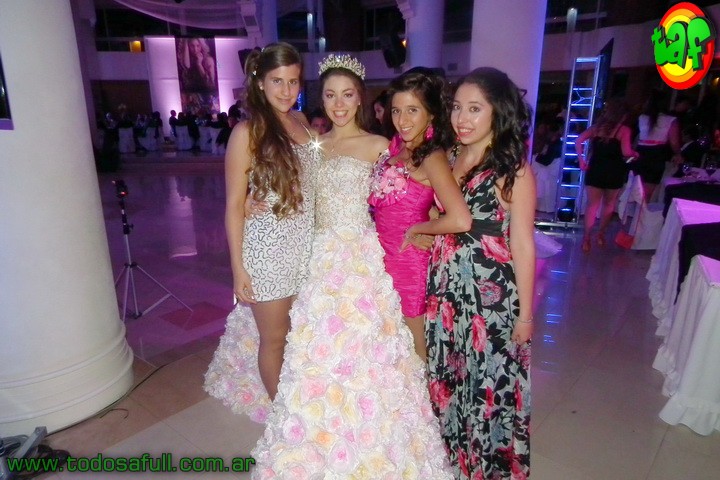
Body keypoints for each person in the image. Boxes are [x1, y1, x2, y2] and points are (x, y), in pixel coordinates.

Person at [250, 53, 454, 479]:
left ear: (361, 98)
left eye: (347, 95)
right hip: (316, 255)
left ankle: (377, 429)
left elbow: (413, 186)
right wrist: (255, 198)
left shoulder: (381, 146)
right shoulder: (312, 143)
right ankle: (316, 426)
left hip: (360, 255)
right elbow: (282, 178)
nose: (338, 104)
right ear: (320, 98)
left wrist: (428, 223)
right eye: (330, 95)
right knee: (314, 343)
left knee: (367, 343)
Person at [425, 67, 536, 479]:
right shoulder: (450, 157)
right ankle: (454, 463)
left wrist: (525, 316)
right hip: (446, 290)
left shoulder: (513, 170)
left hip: (489, 298)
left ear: (497, 112)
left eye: (475, 109)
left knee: (486, 386)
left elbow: (523, 245)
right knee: (450, 378)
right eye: (457, 108)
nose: (462, 118)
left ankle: (488, 469)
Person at [204, 43, 320, 417]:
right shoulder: (247, 132)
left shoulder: (302, 121)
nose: (286, 91)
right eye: (277, 81)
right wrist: (238, 269)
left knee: (298, 334)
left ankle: (296, 399)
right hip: (267, 252)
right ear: (260, 82)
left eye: (293, 81)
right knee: (274, 339)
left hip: (306, 248)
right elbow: (232, 205)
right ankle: (285, 417)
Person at [369, 70, 472, 361]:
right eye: (396, 111)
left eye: (412, 110)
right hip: (380, 257)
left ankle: (426, 391)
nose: (402, 120)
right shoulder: (395, 147)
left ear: (431, 114)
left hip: (408, 261)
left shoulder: (432, 157)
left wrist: (419, 228)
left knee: (416, 346)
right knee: (392, 342)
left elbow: (460, 218)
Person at [576, 99, 639, 252]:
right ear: (623, 115)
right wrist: (635, 154)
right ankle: (600, 234)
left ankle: (586, 239)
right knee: (609, 205)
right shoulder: (624, 130)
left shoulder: (596, 128)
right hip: (614, 170)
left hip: (595, 169)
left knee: (592, 205)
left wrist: (581, 160)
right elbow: (626, 152)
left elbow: (578, 140)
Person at [632, 90, 682, 201]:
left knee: (637, 187)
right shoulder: (671, 120)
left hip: (641, 151)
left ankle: (635, 210)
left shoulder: (642, 118)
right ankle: (642, 210)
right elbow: (674, 142)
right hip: (657, 153)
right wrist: (678, 154)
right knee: (648, 190)